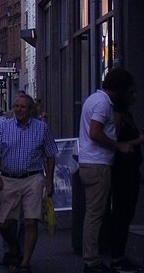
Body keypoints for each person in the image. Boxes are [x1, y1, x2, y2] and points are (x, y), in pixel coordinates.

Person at [0, 93, 58, 273]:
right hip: (9, 178)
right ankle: (14, 249)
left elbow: (50, 155)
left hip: (33, 178)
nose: (19, 110)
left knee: (30, 222)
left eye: (23, 107)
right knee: (5, 223)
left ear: (30, 110)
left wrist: (49, 181)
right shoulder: (4, 127)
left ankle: (25, 262)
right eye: (16, 106)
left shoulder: (41, 128)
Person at [78, 67, 135, 273]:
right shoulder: (103, 104)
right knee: (95, 215)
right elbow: (95, 132)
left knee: (93, 213)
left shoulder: (94, 99)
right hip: (97, 163)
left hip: (89, 162)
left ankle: (91, 259)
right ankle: (91, 261)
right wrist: (118, 145)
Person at [110, 83, 144, 273]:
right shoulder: (118, 117)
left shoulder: (128, 116)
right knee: (121, 215)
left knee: (127, 214)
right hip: (122, 172)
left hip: (130, 170)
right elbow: (117, 143)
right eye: (132, 93)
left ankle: (119, 256)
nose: (135, 97)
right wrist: (139, 140)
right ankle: (117, 257)